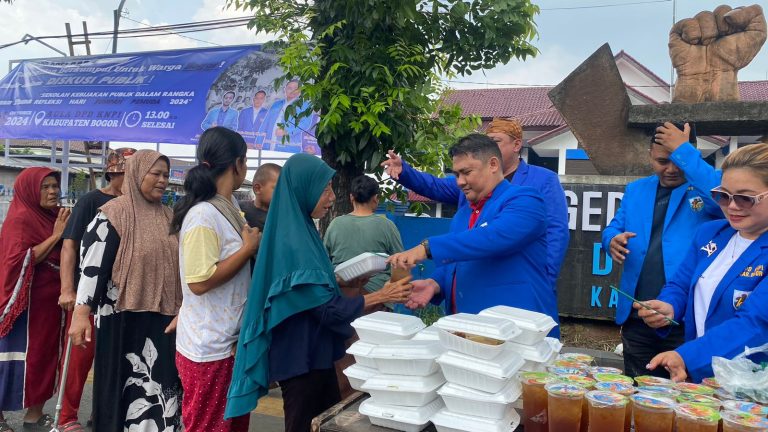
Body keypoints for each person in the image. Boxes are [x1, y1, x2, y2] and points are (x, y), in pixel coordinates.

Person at [225, 154, 413, 432]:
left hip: (315, 354)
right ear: (304, 188)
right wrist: (381, 295)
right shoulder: (293, 241)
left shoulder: (303, 230)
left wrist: (339, 279)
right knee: (303, 425)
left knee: (326, 422)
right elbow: (325, 309)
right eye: (324, 189)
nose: (330, 197)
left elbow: (308, 290)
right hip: (300, 359)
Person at [387, 134, 559, 336]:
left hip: (517, 332)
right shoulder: (464, 213)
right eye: (456, 174)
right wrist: (434, 284)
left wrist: (426, 248)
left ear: (493, 165)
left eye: (466, 172)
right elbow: (460, 261)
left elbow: (493, 237)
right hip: (466, 329)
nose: (459, 182)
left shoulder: (525, 199)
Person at [381, 117, 569, 291]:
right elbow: (435, 186)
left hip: (517, 282)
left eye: (495, 141)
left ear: (517, 145)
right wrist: (404, 171)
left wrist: (546, 278)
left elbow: (556, 231)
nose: (461, 181)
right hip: (475, 285)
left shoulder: (541, 181)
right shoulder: (468, 187)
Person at [68, 150, 183, 431]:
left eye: (165, 175)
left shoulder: (169, 217)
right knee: (123, 389)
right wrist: (81, 313)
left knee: (162, 391)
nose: (162, 180)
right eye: (155, 173)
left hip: (164, 320)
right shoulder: (111, 215)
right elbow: (92, 268)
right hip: (122, 321)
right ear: (136, 174)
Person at [639, 143, 768, 383]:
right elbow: (680, 285)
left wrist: (687, 356)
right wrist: (669, 307)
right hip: (704, 380)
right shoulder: (710, 233)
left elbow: (756, 324)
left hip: (752, 387)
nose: (731, 206)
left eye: (745, 198)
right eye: (723, 195)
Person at [602, 122, 722, 378]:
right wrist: (611, 239)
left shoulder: (704, 188)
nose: (671, 168)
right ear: (649, 156)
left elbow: (721, 196)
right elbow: (614, 226)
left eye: (677, 158)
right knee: (637, 388)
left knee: (683, 397)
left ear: (691, 154)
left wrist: (684, 152)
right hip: (638, 314)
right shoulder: (637, 189)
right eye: (662, 160)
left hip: (685, 318)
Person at [170, 127, 258, 432]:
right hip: (209, 348)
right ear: (237, 164)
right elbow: (198, 280)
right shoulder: (203, 216)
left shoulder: (229, 206)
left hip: (227, 340)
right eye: (245, 161)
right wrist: (247, 249)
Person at [56, 147, 134, 432]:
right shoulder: (92, 201)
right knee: (79, 359)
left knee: (114, 360)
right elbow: (69, 245)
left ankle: (102, 412)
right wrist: (67, 289)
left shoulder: (136, 206)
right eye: (128, 173)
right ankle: (66, 416)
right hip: (89, 295)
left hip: (121, 298)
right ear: (114, 173)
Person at [0, 168, 70, 432]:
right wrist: (56, 235)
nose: (53, 192)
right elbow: (18, 260)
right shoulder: (20, 218)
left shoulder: (53, 215)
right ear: (31, 189)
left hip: (49, 304)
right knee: (10, 358)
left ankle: (34, 416)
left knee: (44, 356)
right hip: (22, 304)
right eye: (46, 187)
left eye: (55, 186)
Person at [324, 175, 405, 297]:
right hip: (377, 296)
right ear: (376, 198)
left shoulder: (335, 224)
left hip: (340, 297)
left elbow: (324, 261)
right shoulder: (387, 226)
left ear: (351, 197)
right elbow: (401, 263)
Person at [258, 80, 314, 152]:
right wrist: (259, 141)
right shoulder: (277, 104)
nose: (292, 90)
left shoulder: (305, 105)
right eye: (289, 88)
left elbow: (305, 124)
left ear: (300, 90)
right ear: (285, 89)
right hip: (268, 144)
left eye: (295, 88)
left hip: (289, 145)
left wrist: (287, 131)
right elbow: (265, 123)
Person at [239, 163, 281, 231]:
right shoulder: (239, 208)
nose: (282, 193)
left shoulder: (281, 218)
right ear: (257, 189)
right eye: (278, 189)